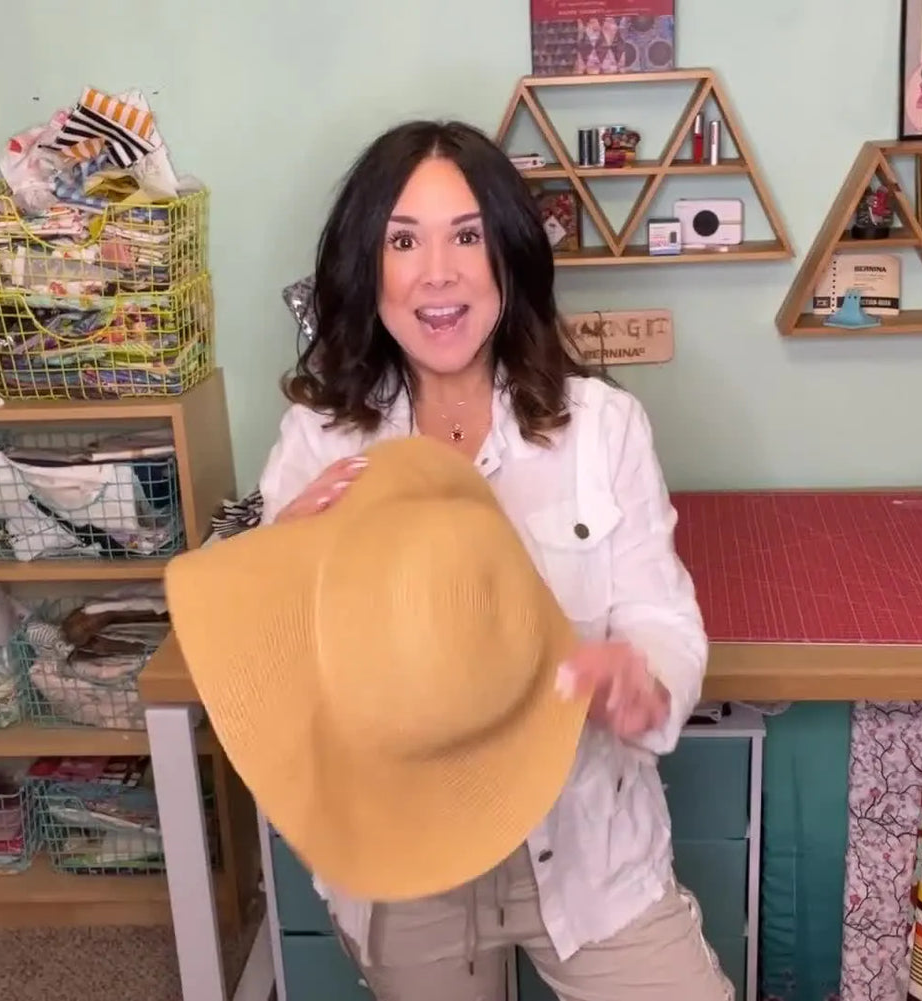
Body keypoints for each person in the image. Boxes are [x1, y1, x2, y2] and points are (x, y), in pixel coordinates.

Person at [256, 119, 726, 1001]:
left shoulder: (601, 426)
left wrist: (643, 680)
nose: (439, 272)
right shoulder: (316, 443)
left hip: (588, 847)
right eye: (405, 241)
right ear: (371, 268)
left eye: (467, 235)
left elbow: (663, 619)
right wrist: (285, 569)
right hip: (406, 867)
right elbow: (278, 686)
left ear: (507, 256)